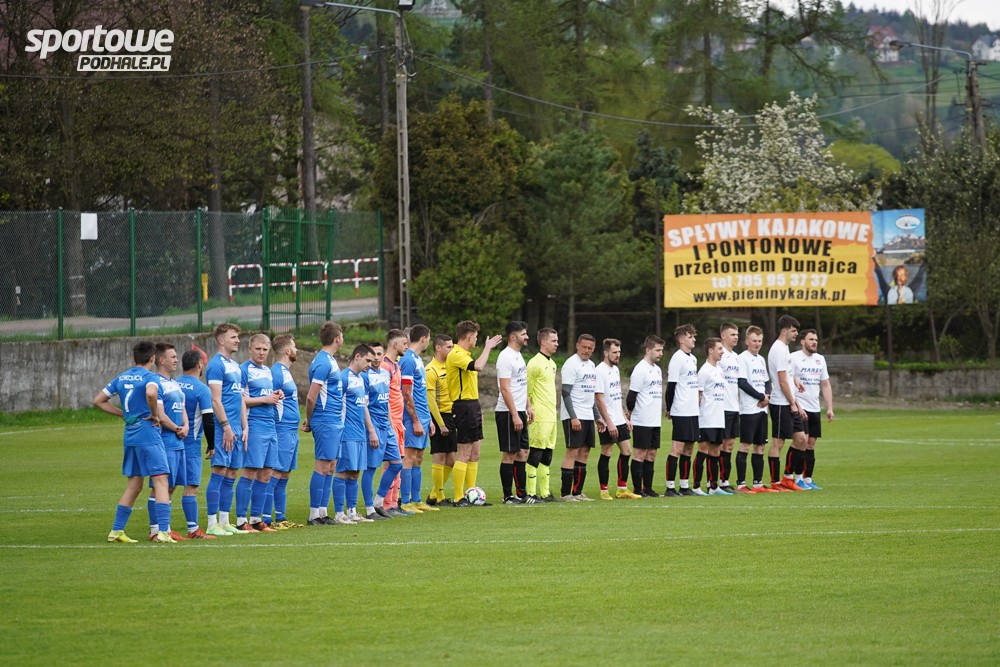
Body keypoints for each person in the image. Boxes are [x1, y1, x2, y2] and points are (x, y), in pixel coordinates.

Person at [95, 341, 175, 544]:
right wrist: (154, 414)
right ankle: (163, 532)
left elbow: (98, 401)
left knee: (134, 484)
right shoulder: (151, 377)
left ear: (133, 358)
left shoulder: (121, 377)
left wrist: (122, 414)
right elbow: (151, 393)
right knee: (161, 480)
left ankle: (116, 530)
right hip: (148, 434)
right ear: (153, 358)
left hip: (130, 435)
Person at [445, 320, 502, 506]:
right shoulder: (456, 354)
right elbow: (478, 366)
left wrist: (478, 410)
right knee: (464, 451)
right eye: (476, 337)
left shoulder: (465, 354)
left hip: (473, 406)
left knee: (475, 452)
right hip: (463, 406)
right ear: (469, 337)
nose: (477, 340)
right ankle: (459, 497)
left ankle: (471, 494)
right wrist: (488, 347)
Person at [204, 323, 249, 535]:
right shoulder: (215, 365)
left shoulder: (236, 366)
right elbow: (215, 400)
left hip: (236, 428)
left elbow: (240, 399)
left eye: (238, 337)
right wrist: (226, 426)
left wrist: (244, 426)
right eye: (233, 337)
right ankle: (212, 523)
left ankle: (224, 521)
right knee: (219, 471)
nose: (237, 340)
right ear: (221, 340)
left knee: (232, 473)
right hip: (224, 428)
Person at [237, 333, 282, 532]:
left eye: (265, 349)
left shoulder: (268, 371)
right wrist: (264, 399)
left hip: (270, 425)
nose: (261, 353)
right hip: (254, 425)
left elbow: (266, 395)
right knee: (250, 471)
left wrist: (276, 395)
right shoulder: (243, 370)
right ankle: (241, 520)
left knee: (266, 473)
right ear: (249, 349)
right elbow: (239, 399)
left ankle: (256, 518)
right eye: (258, 349)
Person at [145, 342, 190, 541]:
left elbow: (183, 408)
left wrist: (186, 426)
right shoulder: (156, 382)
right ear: (161, 360)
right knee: (160, 486)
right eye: (173, 357)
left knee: (171, 487)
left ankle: (166, 528)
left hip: (178, 442)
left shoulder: (175, 383)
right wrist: (177, 428)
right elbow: (160, 415)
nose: (176, 360)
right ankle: (155, 530)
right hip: (165, 440)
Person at [303, 322, 345, 526]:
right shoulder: (322, 363)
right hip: (326, 420)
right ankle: (314, 515)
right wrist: (310, 419)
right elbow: (311, 397)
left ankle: (322, 511)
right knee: (322, 466)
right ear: (337, 339)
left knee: (330, 466)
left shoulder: (329, 360)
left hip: (334, 420)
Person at [335, 345, 381, 523]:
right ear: (357, 357)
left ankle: (352, 512)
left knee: (355, 473)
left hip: (360, 433)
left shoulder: (362, 379)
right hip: (347, 433)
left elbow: (364, 407)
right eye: (367, 360)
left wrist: (371, 430)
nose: (370, 364)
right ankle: (339, 513)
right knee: (343, 472)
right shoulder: (343, 377)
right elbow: (336, 406)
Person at [177, 348, 218, 538]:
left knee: (165, 486)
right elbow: (208, 420)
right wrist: (212, 445)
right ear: (200, 365)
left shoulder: (172, 384)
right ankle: (193, 529)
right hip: (191, 444)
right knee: (191, 487)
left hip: (170, 442)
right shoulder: (202, 389)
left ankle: (160, 529)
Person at [494, 320, 536, 504]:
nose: (526, 337)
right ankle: (507, 496)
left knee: (523, 452)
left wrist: (528, 406)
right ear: (513, 336)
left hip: (520, 410)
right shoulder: (505, 357)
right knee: (509, 454)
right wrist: (514, 415)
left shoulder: (518, 356)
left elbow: (521, 385)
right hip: (507, 412)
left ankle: (522, 494)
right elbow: (505, 389)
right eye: (523, 334)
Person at [595, 338, 640, 500]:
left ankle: (622, 489)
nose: (618, 355)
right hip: (608, 422)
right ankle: (604, 490)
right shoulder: (599, 371)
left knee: (627, 451)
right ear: (605, 353)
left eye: (619, 352)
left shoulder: (615, 370)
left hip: (619, 420)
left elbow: (616, 397)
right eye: (614, 352)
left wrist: (624, 418)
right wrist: (609, 422)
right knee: (606, 452)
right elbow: (599, 399)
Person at [400, 324, 439, 512]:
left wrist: (428, 419)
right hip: (412, 418)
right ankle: (405, 501)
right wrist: (415, 420)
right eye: (428, 339)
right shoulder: (407, 360)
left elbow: (420, 393)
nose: (428, 343)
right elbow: (406, 393)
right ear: (423, 339)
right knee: (409, 457)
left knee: (419, 457)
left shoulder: (417, 359)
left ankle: (416, 500)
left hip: (423, 416)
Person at [790, 329, 834, 490]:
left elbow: (825, 384)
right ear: (802, 341)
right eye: (811, 339)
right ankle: (796, 478)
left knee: (811, 444)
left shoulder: (820, 359)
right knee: (802, 441)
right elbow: (788, 380)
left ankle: (808, 479)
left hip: (815, 406)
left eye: (816, 339)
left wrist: (829, 407)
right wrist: (796, 405)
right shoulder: (793, 358)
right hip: (800, 406)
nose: (814, 342)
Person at [559, 334, 602, 501]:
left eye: (590, 348)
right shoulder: (571, 364)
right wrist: (573, 417)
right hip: (574, 415)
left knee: (584, 452)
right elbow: (565, 392)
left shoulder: (591, 365)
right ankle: (565, 493)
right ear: (577, 345)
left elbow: (590, 394)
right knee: (572, 451)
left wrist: (597, 416)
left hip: (588, 415)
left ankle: (577, 492)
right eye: (584, 347)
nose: (586, 350)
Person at [267, 334, 304, 529]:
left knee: (285, 474)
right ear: (288, 351)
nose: (297, 350)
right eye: (294, 347)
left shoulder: (285, 371)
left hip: (291, 430)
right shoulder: (276, 372)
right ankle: (266, 519)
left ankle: (280, 517)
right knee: (275, 473)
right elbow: (269, 399)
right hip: (281, 429)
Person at [369, 341, 407, 517]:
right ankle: (377, 506)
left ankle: (385, 502)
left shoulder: (387, 371)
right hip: (376, 425)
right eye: (374, 354)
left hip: (390, 423)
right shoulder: (367, 375)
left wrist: (391, 421)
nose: (377, 358)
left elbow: (387, 401)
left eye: (379, 354)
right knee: (372, 467)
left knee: (397, 463)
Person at [767, 315, 805, 492]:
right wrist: (792, 402)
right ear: (785, 330)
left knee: (801, 439)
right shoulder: (778, 349)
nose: (796, 334)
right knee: (778, 442)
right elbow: (782, 381)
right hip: (780, 403)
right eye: (794, 330)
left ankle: (788, 478)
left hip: (789, 401)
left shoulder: (785, 348)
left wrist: (795, 386)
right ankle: (775, 482)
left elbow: (788, 376)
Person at [626, 335, 665, 497]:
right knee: (640, 454)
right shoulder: (640, 369)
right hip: (642, 420)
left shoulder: (657, 369)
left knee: (652, 454)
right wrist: (630, 413)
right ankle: (638, 489)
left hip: (655, 420)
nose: (661, 353)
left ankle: (648, 488)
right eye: (658, 350)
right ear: (648, 350)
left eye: (662, 350)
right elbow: (631, 396)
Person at [736, 326, 772, 493]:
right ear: (747, 341)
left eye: (759, 341)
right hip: (748, 409)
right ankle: (741, 484)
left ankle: (758, 483)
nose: (757, 344)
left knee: (760, 446)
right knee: (745, 445)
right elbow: (742, 383)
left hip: (762, 409)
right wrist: (760, 397)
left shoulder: (761, 359)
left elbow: (766, 381)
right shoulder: (742, 358)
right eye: (754, 341)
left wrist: (767, 396)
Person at [664, 324, 699, 497]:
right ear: (681, 339)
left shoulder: (693, 358)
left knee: (689, 449)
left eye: (694, 336)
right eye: (690, 336)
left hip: (693, 410)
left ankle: (684, 486)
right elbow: (671, 387)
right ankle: (670, 487)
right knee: (677, 449)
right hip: (681, 410)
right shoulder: (677, 359)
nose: (694, 339)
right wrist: (669, 407)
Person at [525, 328, 559, 502]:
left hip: (551, 416)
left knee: (547, 455)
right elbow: (527, 390)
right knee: (536, 452)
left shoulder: (552, 364)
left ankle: (545, 493)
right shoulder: (534, 363)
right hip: (539, 416)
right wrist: (529, 409)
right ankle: (531, 493)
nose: (557, 344)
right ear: (543, 342)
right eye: (553, 341)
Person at [697, 338, 732, 495]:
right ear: (710, 350)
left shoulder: (719, 370)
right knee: (703, 449)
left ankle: (713, 486)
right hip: (707, 417)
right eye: (719, 349)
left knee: (716, 451)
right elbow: (698, 395)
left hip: (719, 417)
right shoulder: (704, 371)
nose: (722, 352)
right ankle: (696, 486)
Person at [379, 331, 409, 513]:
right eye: (404, 343)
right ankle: (385, 504)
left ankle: (393, 503)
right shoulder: (384, 366)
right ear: (395, 344)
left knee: (398, 462)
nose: (407, 347)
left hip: (399, 421)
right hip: (391, 421)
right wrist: (390, 420)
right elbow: (384, 396)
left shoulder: (395, 365)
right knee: (391, 463)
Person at [426, 334, 458, 505]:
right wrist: (441, 424)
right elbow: (430, 401)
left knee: (451, 460)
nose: (452, 350)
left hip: (451, 415)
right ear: (438, 348)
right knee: (439, 457)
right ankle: (439, 496)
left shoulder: (450, 365)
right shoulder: (431, 370)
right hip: (439, 416)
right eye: (449, 347)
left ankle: (433, 495)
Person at [717, 323, 741, 493]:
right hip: (722, 406)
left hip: (734, 406)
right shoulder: (720, 355)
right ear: (723, 336)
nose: (736, 337)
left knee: (730, 444)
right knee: (719, 445)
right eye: (732, 334)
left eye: (737, 334)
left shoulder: (736, 357)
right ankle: (714, 482)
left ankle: (724, 480)